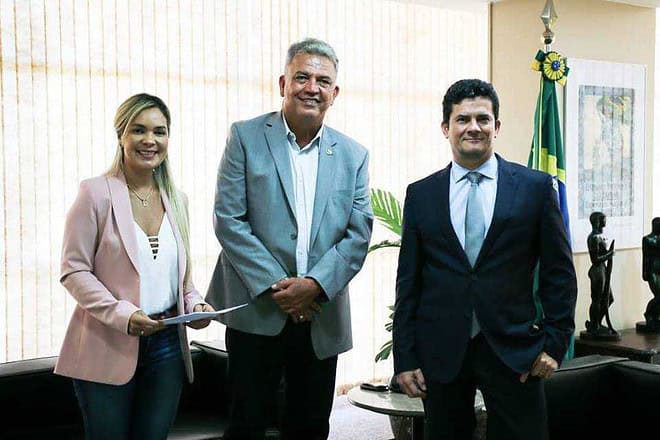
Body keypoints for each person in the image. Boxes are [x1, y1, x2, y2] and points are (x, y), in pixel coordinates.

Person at [205, 38, 373, 440]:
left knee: (310, 427)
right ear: (283, 83)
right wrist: (281, 288)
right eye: (302, 77)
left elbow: (358, 234)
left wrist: (313, 285)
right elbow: (229, 220)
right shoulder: (245, 137)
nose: (312, 88)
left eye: (322, 81)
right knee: (247, 426)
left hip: (320, 314)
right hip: (257, 310)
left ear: (334, 92)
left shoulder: (354, 155)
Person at [393, 79, 577, 440]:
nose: (473, 127)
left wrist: (555, 343)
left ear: (497, 126)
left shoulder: (535, 188)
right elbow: (408, 282)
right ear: (446, 128)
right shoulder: (421, 194)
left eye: (483, 119)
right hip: (441, 352)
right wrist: (405, 357)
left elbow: (559, 273)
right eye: (462, 119)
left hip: (516, 350)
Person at [55, 93, 215, 439]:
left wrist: (196, 306)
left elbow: (181, 281)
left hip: (167, 346)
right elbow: (74, 270)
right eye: (138, 130)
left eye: (159, 131)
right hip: (106, 342)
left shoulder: (178, 200)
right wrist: (123, 315)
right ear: (121, 136)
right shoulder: (94, 194)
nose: (149, 140)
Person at [585, 211, 615, 334]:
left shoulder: (599, 236)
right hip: (597, 271)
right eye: (603, 219)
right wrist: (609, 254)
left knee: (609, 298)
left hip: (602, 269)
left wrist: (608, 253)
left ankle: (596, 322)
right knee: (597, 299)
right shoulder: (593, 238)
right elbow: (595, 259)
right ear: (598, 221)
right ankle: (594, 325)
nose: (605, 221)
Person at [642, 217, 660, 328]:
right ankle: (648, 313)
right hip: (652, 270)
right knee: (659, 295)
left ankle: (656, 316)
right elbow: (645, 257)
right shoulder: (648, 239)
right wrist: (644, 272)